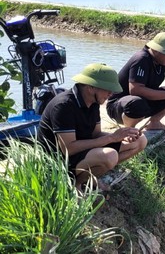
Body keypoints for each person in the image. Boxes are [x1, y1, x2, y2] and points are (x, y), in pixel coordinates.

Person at [38, 63, 147, 191]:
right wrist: (111, 138)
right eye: (107, 89)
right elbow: (69, 148)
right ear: (91, 88)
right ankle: (74, 185)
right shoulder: (63, 106)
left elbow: (96, 135)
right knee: (109, 156)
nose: (111, 94)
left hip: (81, 150)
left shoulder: (93, 101)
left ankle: (90, 175)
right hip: (57, 159)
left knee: (140, 141)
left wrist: (122, 135)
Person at [107, 32, 165, 132]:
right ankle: (129, 129)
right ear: (156, 50)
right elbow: (135, 90)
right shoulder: (141, 59)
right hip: (119, 106)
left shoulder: (164, 61)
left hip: (143, 100)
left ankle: (155, 121)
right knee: (137, 103)